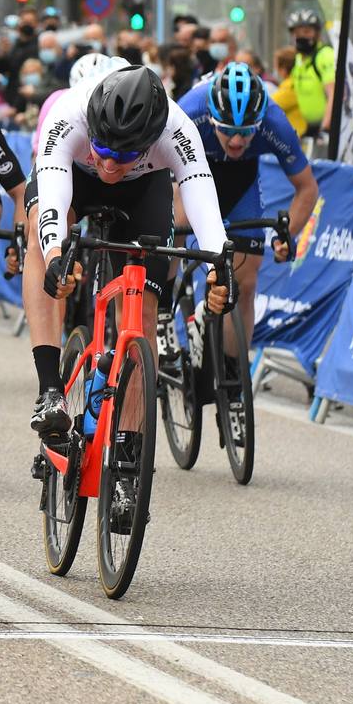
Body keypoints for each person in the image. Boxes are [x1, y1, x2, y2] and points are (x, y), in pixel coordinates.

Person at [23, 66, 229, 450]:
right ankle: (50, 388)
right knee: (39, 238)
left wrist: (221, 264)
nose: (110, 164)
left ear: (151, 139)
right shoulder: (70, 114)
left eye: (125, 155)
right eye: (102, 149)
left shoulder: (176, 129)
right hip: (74, 180)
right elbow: (52, 195)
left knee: (143, 314)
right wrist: (55, 254)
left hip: (142, 192)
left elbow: (201, 196)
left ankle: (128, 445)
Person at [176, 62, 317, 361]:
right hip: (191, 172)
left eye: (246, 131)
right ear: (212, 119)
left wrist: (286, 235)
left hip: (241, 183)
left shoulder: (275, 123)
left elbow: (307, 189)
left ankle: (233, 375)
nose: (237, 140)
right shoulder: (189, 112)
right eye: (227, 131)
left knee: (246, 283)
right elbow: (157, 172)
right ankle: (164, 312)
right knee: (173, 226)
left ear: (260, 122)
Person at [286, 8, 335, 143]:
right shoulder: (299, 59)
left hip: (327, 130)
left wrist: (325, 128)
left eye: (307, 32)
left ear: (317, 34)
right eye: (297, 33)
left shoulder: (325, 55)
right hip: (308, 129)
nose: (301, 37)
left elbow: (335, 94)